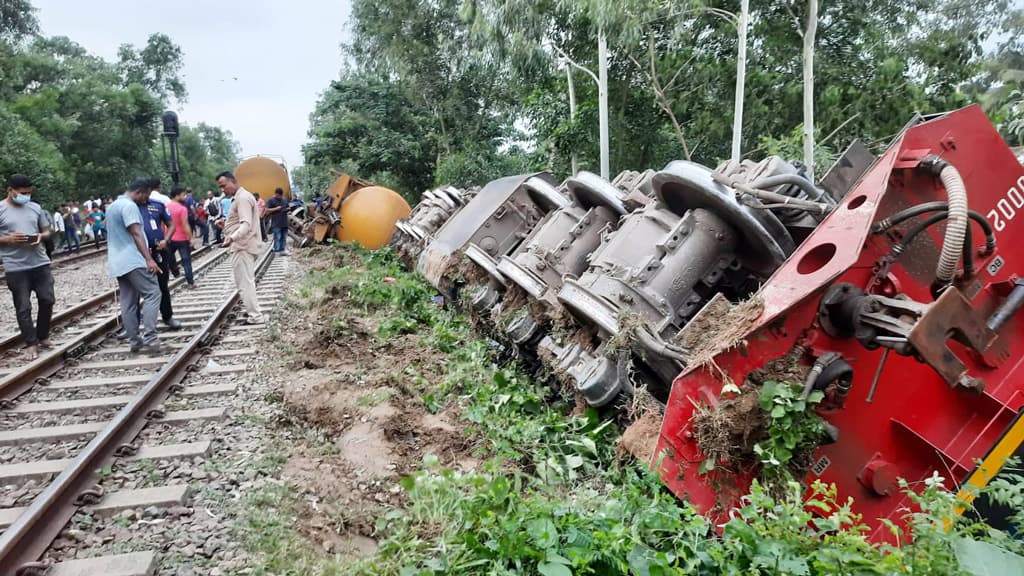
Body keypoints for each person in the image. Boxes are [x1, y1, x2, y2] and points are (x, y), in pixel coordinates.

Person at [0, 175, 54, 360]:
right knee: (23, 306)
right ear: (10, 190)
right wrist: (8, 240)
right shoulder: (1, 209)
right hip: (15, 266)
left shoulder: (35, 207)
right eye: (23, 193)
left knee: (47, 299)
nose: (26, 196)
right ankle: (31, 343)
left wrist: (41, 236)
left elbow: (47, 230)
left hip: (40, 261)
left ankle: (43, 335)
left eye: (29, 193)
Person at [108, 179, 162, 354]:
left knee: (128, 301)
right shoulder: (129, 206)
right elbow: (136, 233)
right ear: (140, 192)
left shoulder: (112, 206)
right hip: (133, 259)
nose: (146, 200)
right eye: (146, 195)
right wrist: (149, 259)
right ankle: (151, 338)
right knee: (153, 293)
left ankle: (135, 341)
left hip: (118, 261)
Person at [216, 171, 264, 323]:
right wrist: (226, 226)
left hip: (242, 246)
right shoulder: (242, 197)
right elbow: (241, 222)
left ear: (233, 181)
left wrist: (232, 237)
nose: (223, 189)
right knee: (245, 281)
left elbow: (246, 224)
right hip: (243, 245)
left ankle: (255, 316)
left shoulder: (242, 198)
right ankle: (253, 312)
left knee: (244, 283)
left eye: (224, 185)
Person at [134, 185, 182, 330]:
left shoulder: (158, 205)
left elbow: (171, 225)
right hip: (138, 253)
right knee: (135, 290)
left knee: (162, 286)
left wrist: (166, 239)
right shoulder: (130, 207)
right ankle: (134, 324)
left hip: (159, 251)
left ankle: (168, 316)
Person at [167, 187, 196, 288]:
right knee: (186, 261)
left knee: (169, 259)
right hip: (182, 239)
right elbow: (185, 225)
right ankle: (190, 283)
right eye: (183, 195)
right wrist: (191, 238)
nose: (185, 197)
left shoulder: (165, 207)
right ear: (177, 196)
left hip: (169, 238)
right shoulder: (182, 209)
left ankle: (175, 273)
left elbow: (163, 224)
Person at [265, 187, 289, 255]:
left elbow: (287, 206)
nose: (280, 197)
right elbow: (267, 210)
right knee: (277, 237)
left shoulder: (284, 199)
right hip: (276, 223)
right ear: (276, 194)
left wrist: (287, 209)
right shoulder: (271, 200)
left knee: (284, 237)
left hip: (284, 222)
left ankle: (282, 250)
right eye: (279, 196)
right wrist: (276, 208)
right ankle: (277, 251)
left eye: (281, 196)